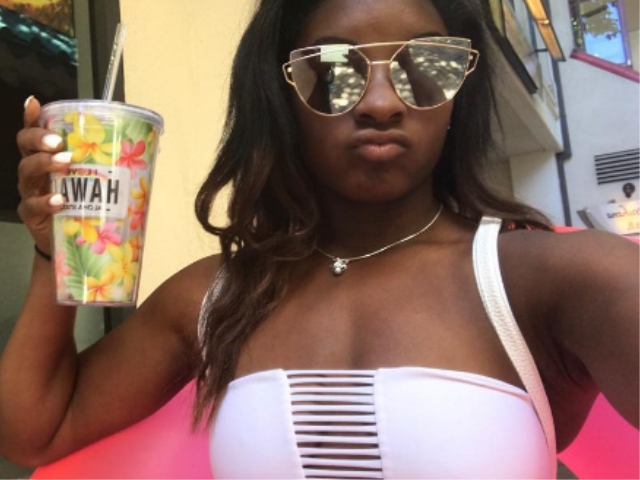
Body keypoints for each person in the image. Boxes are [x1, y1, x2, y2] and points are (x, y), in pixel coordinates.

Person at [1, 0, 638, 478]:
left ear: (458, 94)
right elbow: (36, 430)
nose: (382, 102)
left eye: (425, 66)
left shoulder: (553, 280)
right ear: (280, 97)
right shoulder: (219, 298)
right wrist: (59, 245)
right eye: (332, 71)